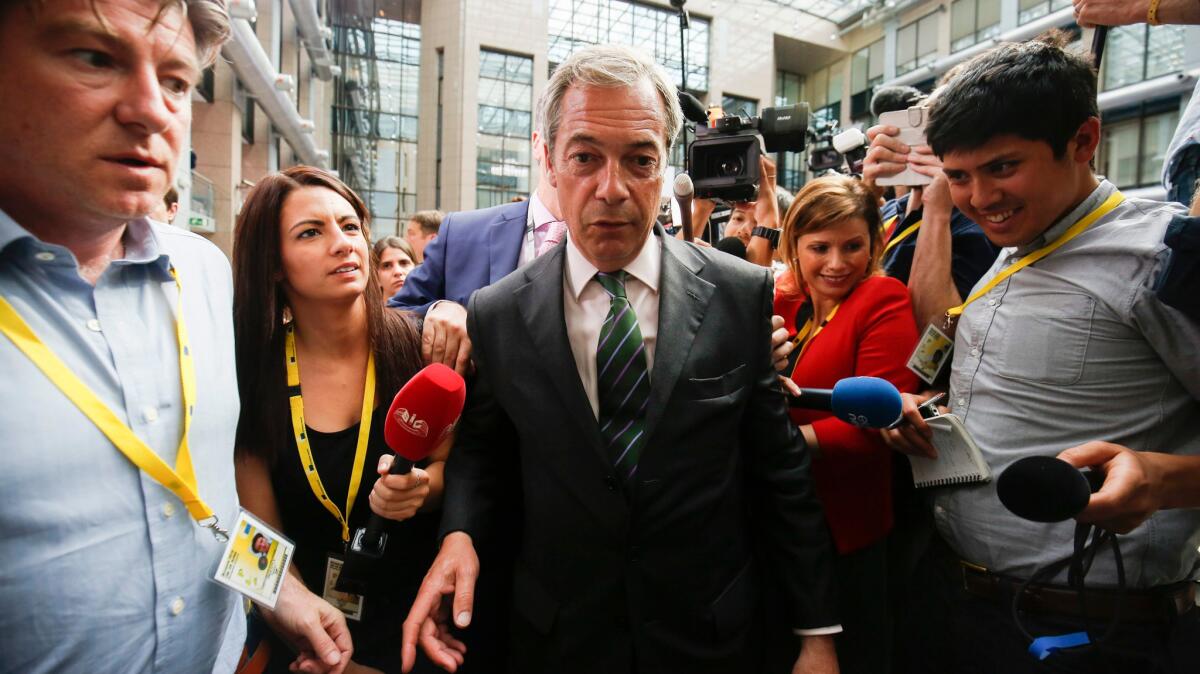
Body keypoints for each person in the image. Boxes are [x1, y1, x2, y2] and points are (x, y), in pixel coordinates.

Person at [401, 43, 839, 674]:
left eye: (639, 160)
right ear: (550, 162)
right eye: (585, 157)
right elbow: (484, 453)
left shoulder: (740, 294)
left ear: (667, 170)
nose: (612, 189)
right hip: (557, 639)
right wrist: (460, 533)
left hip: (711, 640)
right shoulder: (498, 312)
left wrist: (817, 634)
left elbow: (780, 473)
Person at [0, 1, 350, 673]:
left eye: (176, 80)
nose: (151, 109)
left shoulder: (203, 272)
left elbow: (203, 503)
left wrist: (283, 590)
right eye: (95, 58)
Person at [882, 37, 1200, 673]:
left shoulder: (1165, 254)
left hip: (1094, 631)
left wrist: (1162, 480)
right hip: (956, 605)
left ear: (1084, 141)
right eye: (959, 176)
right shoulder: (1013, 240)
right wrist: (934, 412)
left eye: (1002, 167)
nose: (981, 198)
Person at [233, 167, 447, 674]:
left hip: (421, 632)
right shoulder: (250, 374)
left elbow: (452, 468)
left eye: (350, 227)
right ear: (275, 264)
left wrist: (422, 489)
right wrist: (318, 648)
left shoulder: (420, 346)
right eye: (311, 232)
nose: (342, 244)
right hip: (303, 641)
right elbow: (252, 539)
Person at [775, 175, 920, 674]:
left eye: (853, 246)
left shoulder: (883, 298)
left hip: (845, 534)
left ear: (875, 244)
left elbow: (876, 421)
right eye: (820, 247)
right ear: (794, 244)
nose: (836, 263)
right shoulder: (784, 305)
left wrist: (781, 445)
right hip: (780, 527)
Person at [388, 131, 565, 375]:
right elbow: (394, 314)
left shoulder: (624, 246)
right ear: (539, 144)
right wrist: (436, 311)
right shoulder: (461, 232)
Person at [374, 235, 418, 300]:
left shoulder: (434, 308)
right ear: (376, 277)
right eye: (387, 266)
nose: (397, 271)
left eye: (404, 263)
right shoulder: (364, 310)